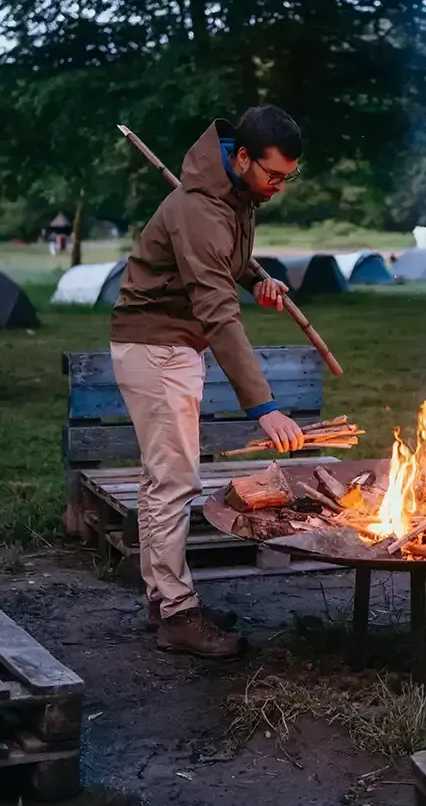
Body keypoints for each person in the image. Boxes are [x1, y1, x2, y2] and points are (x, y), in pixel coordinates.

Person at [110, 106, 305, 659]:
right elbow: (217, 310)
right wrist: (262, 405)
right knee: (174, 482)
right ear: (241, 157)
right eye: (272, 175)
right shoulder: (199, 208)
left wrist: (257, 278)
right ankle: (177, 614)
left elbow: (225, 262)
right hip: (157, 348)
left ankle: (163, 598)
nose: (278, 187)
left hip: (170, 346)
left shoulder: (233, 197)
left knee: (161, 479)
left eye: (288, 177)